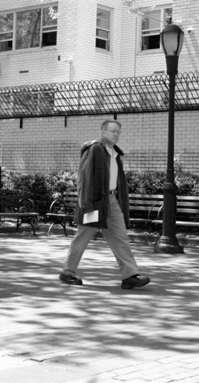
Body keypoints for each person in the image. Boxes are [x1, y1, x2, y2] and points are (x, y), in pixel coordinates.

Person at [59, 119, 151, 289]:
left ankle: (129, 275)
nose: (116, 134)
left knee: (120, 237)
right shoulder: (95, 149)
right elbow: (84, 178)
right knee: (83, 236)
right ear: (103, 131)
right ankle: (67, 273)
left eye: (118, 132)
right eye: (112, 131)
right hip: (95, 201)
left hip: (112, 201)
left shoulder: (115, 153)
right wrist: (87, 204)